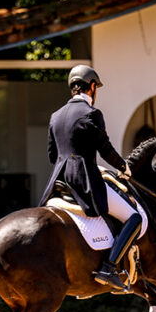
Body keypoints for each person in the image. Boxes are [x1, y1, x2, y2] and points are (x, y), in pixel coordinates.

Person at [38, 65, 141, 292]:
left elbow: (52, 156)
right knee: (134, 218)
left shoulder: (55, 116)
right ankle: (109, 267)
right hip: (84, 183)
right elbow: (105, 149)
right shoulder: (92, 113)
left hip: (58, 183)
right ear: (92, 87)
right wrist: (123, 167)